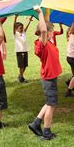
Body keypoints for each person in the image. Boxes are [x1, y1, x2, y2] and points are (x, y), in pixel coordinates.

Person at [28, 7, 62, 140]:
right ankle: (46, 132)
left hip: (50, 77)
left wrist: (47, 11)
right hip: (48, 78)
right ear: (46, 33)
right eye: (51, 31)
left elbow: (45, 25)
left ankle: (36, 123)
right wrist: (40, 13)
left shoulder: (48, 41)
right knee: (51, 105)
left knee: (49, 102)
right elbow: (43, 29)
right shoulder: (41, 44)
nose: (53, 33)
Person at [13, 15, 33, 83]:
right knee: (21, 66)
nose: (22, 29)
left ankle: (20, 76)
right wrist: (15, 18)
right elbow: (13, 26)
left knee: (25, 65)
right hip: (19, 52)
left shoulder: (23, 32)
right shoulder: (15, 34)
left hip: (25, 51)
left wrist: (30, 20)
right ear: (16, 28)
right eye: (20, 28)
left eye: (22, 28)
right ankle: (21, 78)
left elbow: (27, 27)